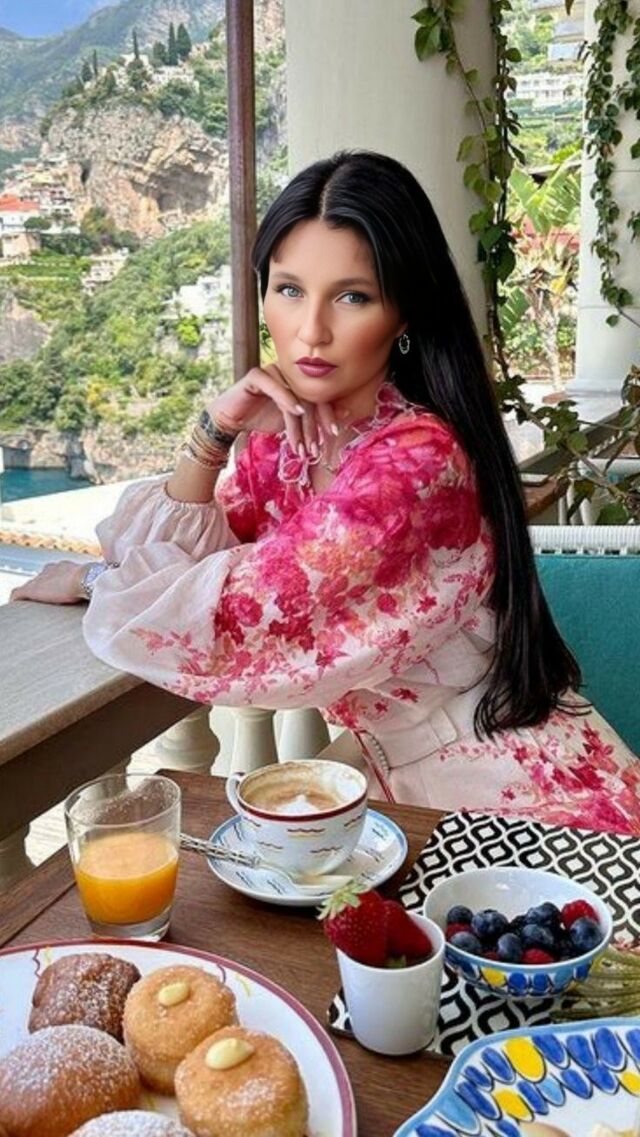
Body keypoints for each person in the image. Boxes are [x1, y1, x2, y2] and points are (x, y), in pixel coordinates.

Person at [12, 151, 640, 835]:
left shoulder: (416, 462)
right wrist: (215, 431)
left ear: (403, 313)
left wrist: (90, 580)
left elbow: (238, 618)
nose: (310, 330)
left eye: (352, 296)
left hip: (527, 796)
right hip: (416, 790)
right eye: (288, 289)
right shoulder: (284, 447)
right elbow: (181, 556)